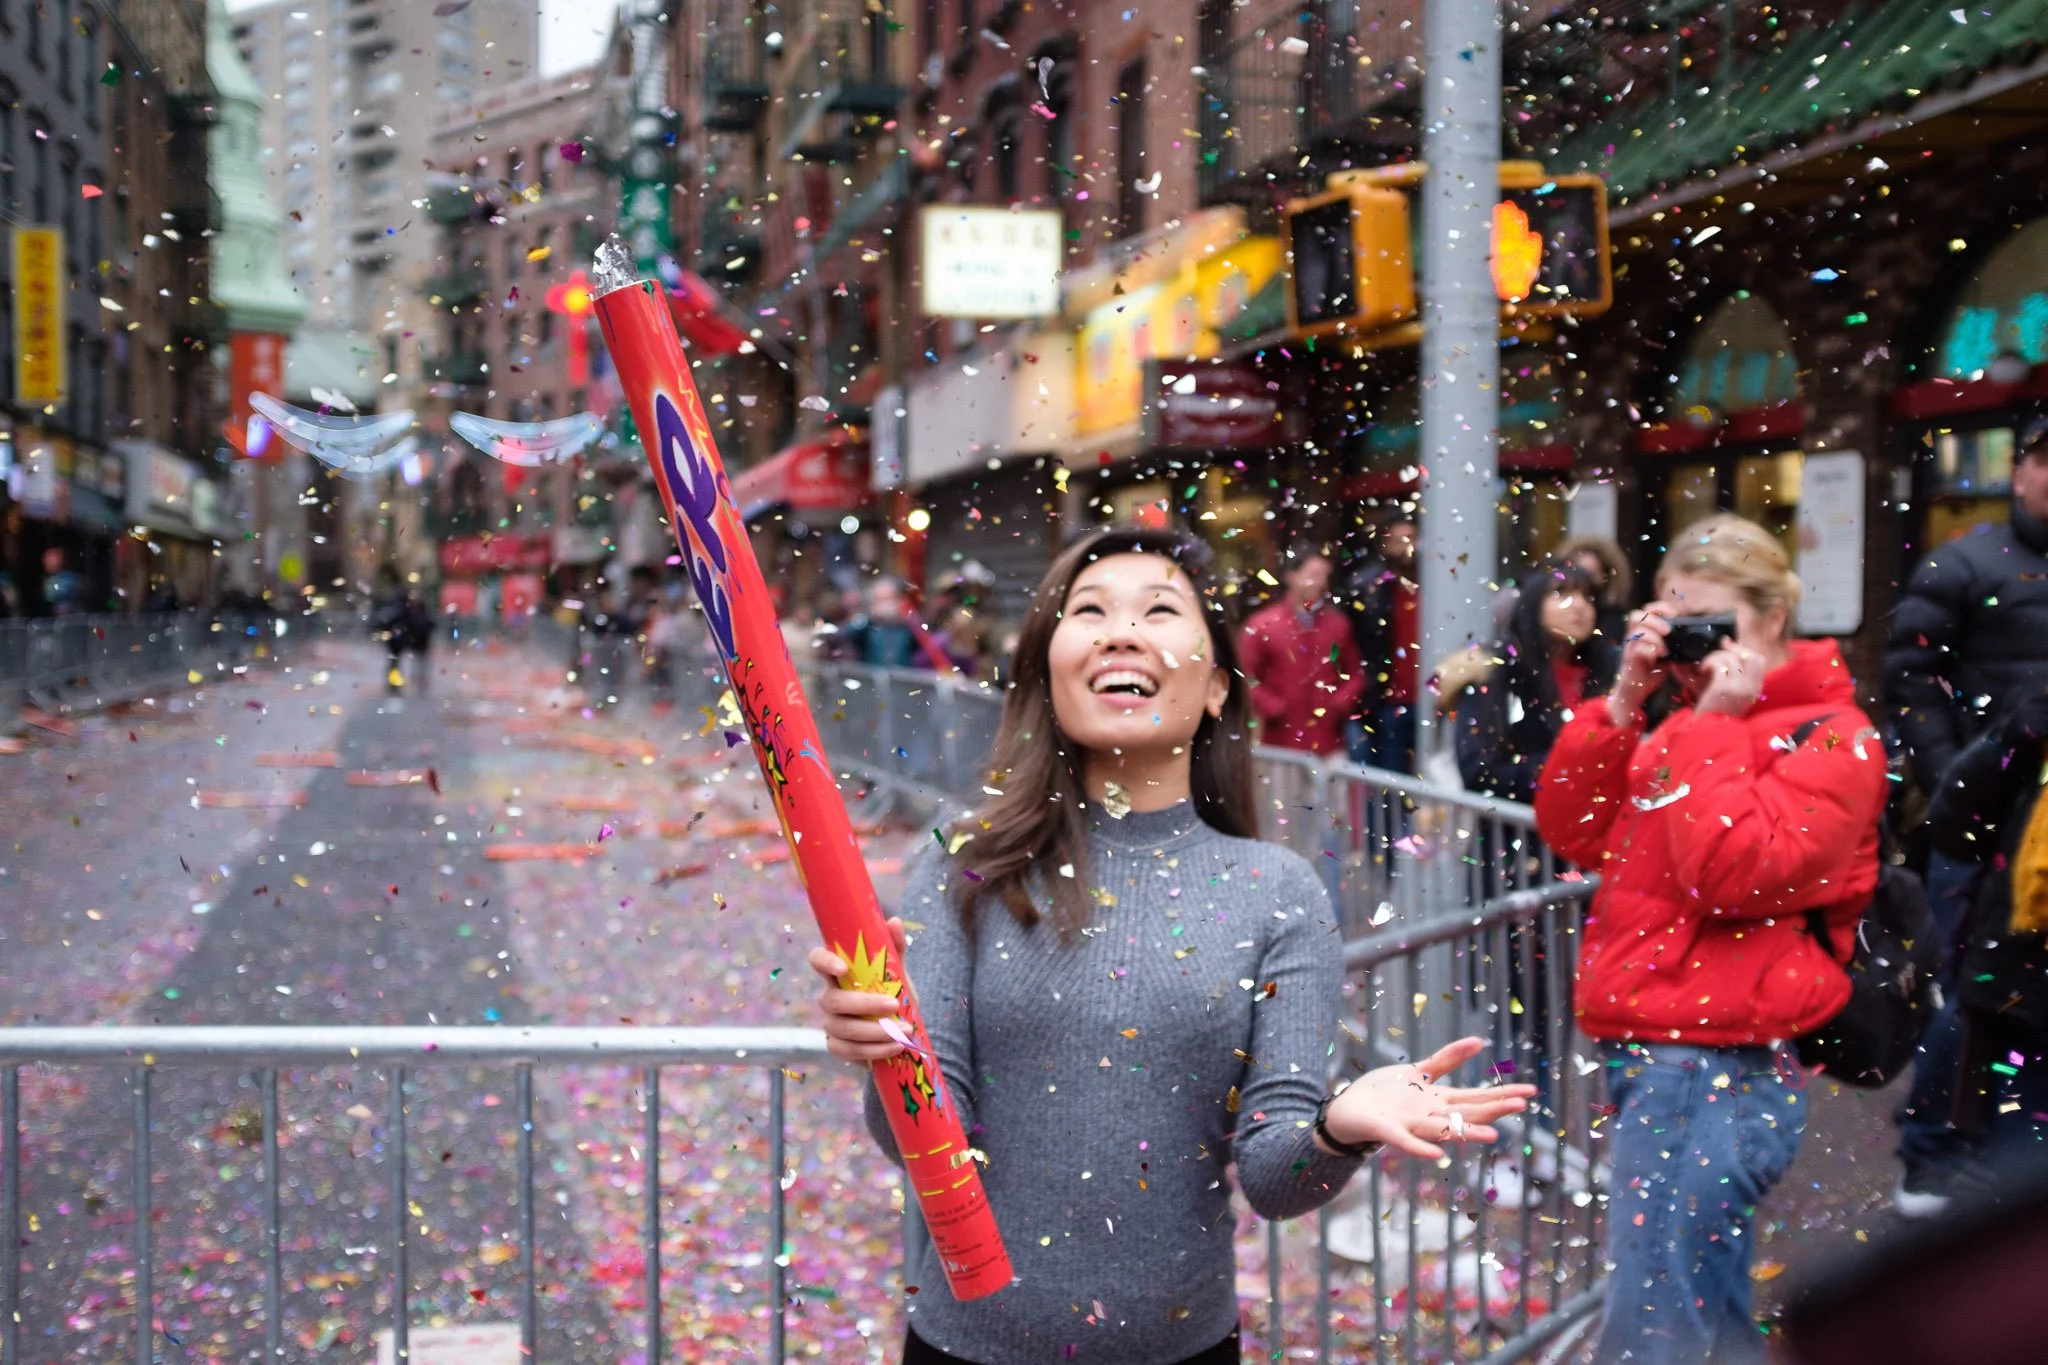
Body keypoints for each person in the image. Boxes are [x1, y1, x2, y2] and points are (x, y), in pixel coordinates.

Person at [809, 527, 1535, 1365]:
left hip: (1187, 1348)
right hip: (964, 1347)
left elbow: (1274, 1176)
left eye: (1158, 610)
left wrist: (1339, 1129)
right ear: (1048, 670)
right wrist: (889, 1054)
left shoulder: (1279, 892)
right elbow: (928, 1147)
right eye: (1089, 611)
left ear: (1218, 685)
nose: (1121, 632)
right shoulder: (963, 865)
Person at [1533, 513, 1888, 1363]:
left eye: (1712, 622)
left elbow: (1735, 872)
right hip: (1660, 1050)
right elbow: (1577, 830)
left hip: (1715, 1064)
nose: (1693, 647)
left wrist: (1714, 725)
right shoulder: (1687, 724)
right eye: (1674, 620)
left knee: (1656, 1325)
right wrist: (1624, 701)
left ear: (1773, 616)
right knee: (1704, 1312)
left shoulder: (1835, 734)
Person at [1883, 414, 2048, 1216]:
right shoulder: (1961, 563)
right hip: (1982, 822)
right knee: (1970, 990)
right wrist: (1953, 779)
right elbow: (1912, 677)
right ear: (2019, 473)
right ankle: (1934, 1152)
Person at [1920, 683, 2048, 1182]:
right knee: (2019, 1155)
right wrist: (2015, 735)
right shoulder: (2033, 728)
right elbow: (1956, 827)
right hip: (2023, 985)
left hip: (2020, 980)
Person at [1454, 558, 1620, 805]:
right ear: (1533, 602)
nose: (1579, 605)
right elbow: (1478, 772)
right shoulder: (1496, 675)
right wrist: (1562, 767)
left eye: (1588, 597)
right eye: (1560, 592)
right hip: (1520, 824)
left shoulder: (1611, 673)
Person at [1236, 544, 1365, 757]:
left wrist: (1339, 703)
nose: (1320, 582)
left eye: (1324, 576)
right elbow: (1244, 676)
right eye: (1313, 575)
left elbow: (1355, 674)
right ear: (1291, 576)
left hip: (1328, 740)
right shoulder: (1262, 624)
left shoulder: (1338, 624)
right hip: (1281, 742)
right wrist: (1272, 705)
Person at [1341, 517, 1420, 772]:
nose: (1407, 547)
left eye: (1411, 539)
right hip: (1387, 701)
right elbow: (1352, 644)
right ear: (1385, 546)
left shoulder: (1432, 585)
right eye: (1398, 541)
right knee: (1389, 774)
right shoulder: (1369, 588)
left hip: (1428, 700)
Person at [1552, 533, 1633, 645]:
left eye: (1591, 574)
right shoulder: (1553, 611)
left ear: (1605, 577)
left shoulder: (1616, 623)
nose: (1582, 578)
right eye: (1577, 570)